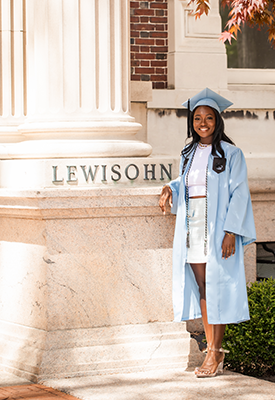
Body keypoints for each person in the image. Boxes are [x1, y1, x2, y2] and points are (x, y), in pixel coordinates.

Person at [159, 88, 256, 378]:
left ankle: (215, 352)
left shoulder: (231, 154)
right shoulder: (187, 153)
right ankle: (211, 349)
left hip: (217, 226)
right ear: (193, 122)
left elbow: (239, 194)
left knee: (217, 286)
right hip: (192, 225)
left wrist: (230, 231)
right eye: (198, 118)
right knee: (203, 285)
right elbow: (186, 183)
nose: (203, 123)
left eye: (209, 118)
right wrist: (169, 188)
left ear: (217, 121)